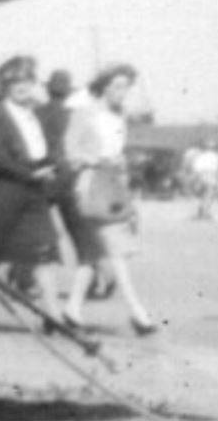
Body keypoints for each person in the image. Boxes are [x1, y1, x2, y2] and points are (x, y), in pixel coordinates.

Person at [59, 65, 158, 335]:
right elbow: (70, 150)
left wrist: (119, 165)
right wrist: (94, 159)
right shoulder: (84, 113)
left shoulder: (118, 117)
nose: (122, 92)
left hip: (113, 183)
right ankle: (138, 313)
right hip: (91, 183)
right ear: (103, 87)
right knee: (116, 250)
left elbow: (119, 148)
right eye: (117, 86)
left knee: (95, 253)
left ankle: (72, 308)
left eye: (126, 87)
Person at [0, 56, 62, 311]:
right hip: (3, 196)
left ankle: (54, 315)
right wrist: (30, 174)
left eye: (26, 80)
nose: (21, 86)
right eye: (14, 82)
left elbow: (42, 152)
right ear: (5, 87)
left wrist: (51, 167)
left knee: (44, 252)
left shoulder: (33, 116)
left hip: (33, 194)